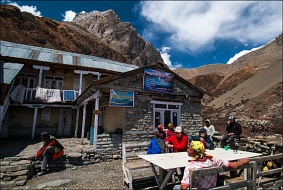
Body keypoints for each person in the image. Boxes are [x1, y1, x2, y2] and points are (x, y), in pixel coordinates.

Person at [173, 141, 249, 190]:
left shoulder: (190, 166)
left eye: (189, 149)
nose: (187, 150)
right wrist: (241, 162)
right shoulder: (213, 159)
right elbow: (233, 165)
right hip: (212, 188)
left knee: (175, 187)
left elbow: (184, 187)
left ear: (196, 153)